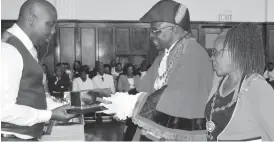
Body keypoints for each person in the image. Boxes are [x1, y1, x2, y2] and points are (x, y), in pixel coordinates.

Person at [131, 0, 214, 141]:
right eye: (150, 31)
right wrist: (130, 98)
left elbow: (178, 98)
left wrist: (134, 104)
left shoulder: (194, 54)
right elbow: (146, 87)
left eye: (155, 31)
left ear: (174, 29)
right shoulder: (164, 54)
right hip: (156, 130)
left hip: (179, 133)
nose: (151, 36)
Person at [1, 0, 76, 141]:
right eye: (50, 24)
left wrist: (66, 106)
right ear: (32, 19)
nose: (53, 31)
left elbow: (31, 96)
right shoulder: (8, 50)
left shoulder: (28, 49)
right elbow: (3, 110)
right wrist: (50, 115)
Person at [205, 23, 274, 141]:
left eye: (216, 52)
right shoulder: (219, 81)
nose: (212, 58)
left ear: (236, 53)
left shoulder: (258, 88)